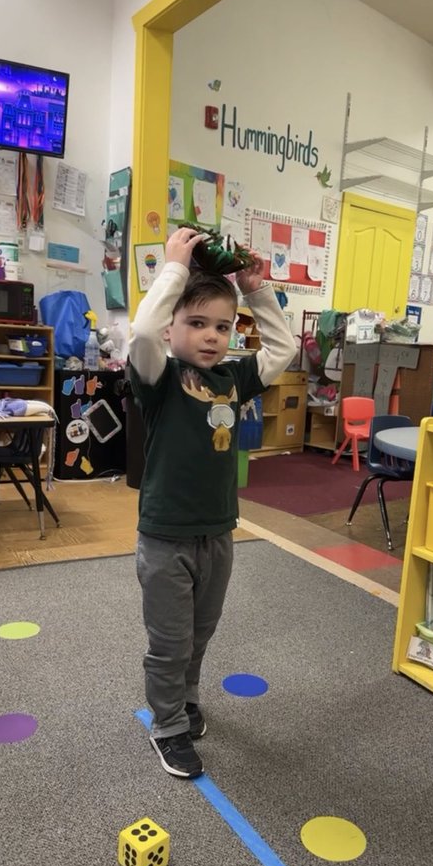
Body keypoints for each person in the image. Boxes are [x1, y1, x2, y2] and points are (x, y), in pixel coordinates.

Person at [129, 226, 297, 779]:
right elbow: (142, 336)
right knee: (170, 641)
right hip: (165, 536)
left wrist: (256, 290)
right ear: (173, 325)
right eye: (195, 323)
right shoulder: (160, 376)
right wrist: (173, 272)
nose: (210, 336)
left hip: (218, 533)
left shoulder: (234, 378)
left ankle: (188, 698)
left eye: (222, 326)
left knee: (201, 633)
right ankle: (168, 725)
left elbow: (284, 348)